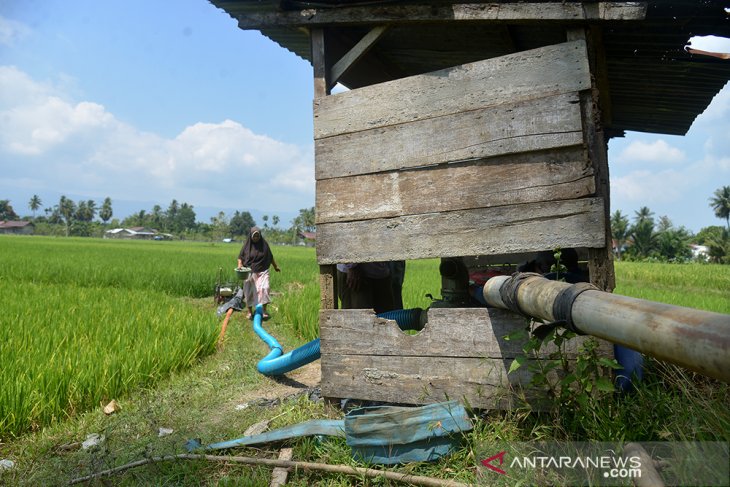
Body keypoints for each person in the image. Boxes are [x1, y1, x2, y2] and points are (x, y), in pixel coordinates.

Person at [238, 226, 280, 319]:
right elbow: (240, 257)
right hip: (249, 271)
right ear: (251, 236)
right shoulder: (246, 246)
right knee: (248, 291)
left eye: (257, 236)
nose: (256, 238)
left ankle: (264, 311)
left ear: (260, 236)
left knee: (265, 288)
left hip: (263, 270)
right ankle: (249, 312)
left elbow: (270, 257)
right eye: (254, 236)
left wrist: (275, 266)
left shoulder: (264, 245)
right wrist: (240, 265)